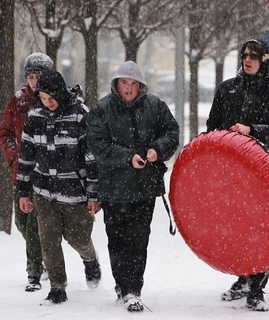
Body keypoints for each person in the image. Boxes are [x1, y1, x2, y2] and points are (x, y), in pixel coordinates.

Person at [86, 61, 179, 312]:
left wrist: (157, 150)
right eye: (124, 83)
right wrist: (127, 157)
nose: (128, 88)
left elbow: (172, 132)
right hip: (114, 189)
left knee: (139, 241)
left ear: (141, 86)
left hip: (144, 188)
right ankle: (122, 284)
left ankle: (133, 289)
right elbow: (98, 145)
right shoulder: (101, 110)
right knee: (117, 240)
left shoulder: (156, 106)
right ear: (116, 85)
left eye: (133, 84)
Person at [206, 39, 269, 312]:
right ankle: (242, 278)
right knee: (236, 228)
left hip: (264, 175)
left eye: (253, 56)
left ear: (264, 60)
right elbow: (212, 128)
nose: (247, 60)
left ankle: (256, 288)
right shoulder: (227, 90)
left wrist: (252, 130)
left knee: (260, 231)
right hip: (231, 175)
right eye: (244, 55)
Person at [16, 70, 102, 305]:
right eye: (43, 98)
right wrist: (23, 191)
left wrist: (94, 193)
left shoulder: (80, 115)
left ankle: (90, 258)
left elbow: (91, 157)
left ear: (61, 92)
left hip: (75, 192)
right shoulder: (35, 116)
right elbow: (26, 156)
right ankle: (57, 287)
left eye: (51, 97)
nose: (48, 102)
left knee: (77, 238)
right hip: (44, 192)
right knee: (49, 240)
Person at [0, 52, 53, 292]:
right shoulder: (18, 101)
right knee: (22, 221)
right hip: (20, 173)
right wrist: (13, 159)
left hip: (44, 175)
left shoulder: (53, 101)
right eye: (30, 76)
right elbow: (5, 133)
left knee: (35, 226)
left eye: (38, 76)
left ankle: (34, 272)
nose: (33, 81)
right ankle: (45, 259)